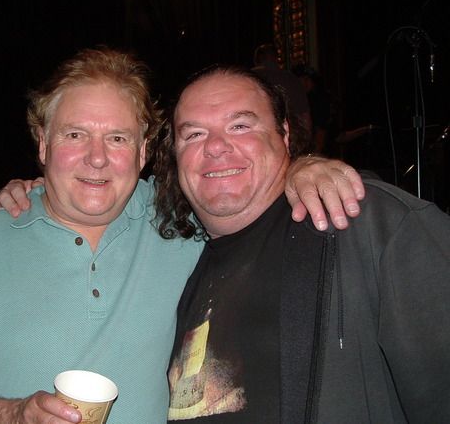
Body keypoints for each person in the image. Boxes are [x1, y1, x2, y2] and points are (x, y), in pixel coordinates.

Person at [0, 48, 362, 424]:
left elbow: (241, 183)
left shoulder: (178, 218)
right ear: (43, 144)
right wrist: (13, 416)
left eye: (117, 138)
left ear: (143, 152)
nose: (96, 158)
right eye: (75, 135)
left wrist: (301, 167)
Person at [150, 65, 449, 422]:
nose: (215, 146)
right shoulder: (178, 266)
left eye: (240, 126)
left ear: (285, 134)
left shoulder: (364, 223)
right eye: (195, 134)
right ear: (175, 154)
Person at [252, 43, 313, 153]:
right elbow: (304, 116)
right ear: (276, 58)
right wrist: (305, 144)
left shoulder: (248, 78)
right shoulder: (291, 79)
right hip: (289, 139)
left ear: (257, 59)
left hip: (258, 138)